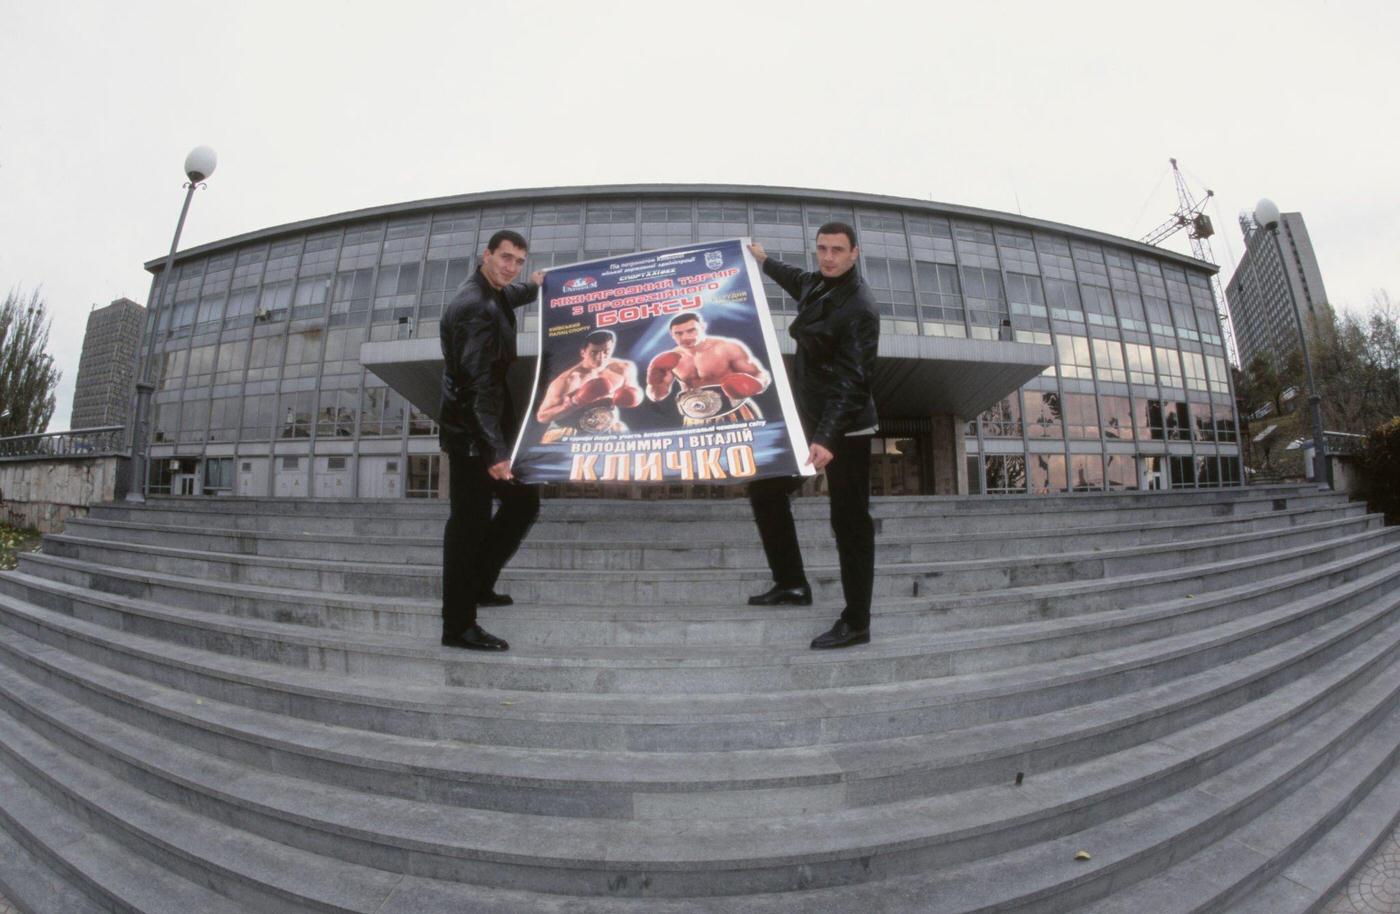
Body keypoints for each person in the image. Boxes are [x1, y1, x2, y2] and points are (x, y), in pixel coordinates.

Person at [747, 223, 880, 650]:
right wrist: (763, 260)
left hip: (846, 427)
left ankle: (857, 621)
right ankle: (791, 584)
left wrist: (826, 439)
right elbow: (794, 277)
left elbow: (852, 381)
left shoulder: (859, 307)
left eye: (837, 250)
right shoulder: (817, 285)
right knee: (766, 490)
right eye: (822, 249)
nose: (828, 257)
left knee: (849, 521)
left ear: (855, 253)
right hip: (810, 420)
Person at [438, 229, 545, 651]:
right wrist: (494, 452)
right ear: (485, 255)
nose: (511, 267)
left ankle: (479, 584)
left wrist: (534, 286)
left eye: (519, 261)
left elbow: (511, 294)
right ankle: (458, 626)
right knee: (468, 527)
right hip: (473, 438)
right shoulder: (476, 308)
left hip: (482, 430)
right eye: (505, 258)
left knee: (523, 503)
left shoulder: (492, 293)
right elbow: (476, 386)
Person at [645, 311, 770, 426]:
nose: (685, 337)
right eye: (679, 333)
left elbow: (760, 375)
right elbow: (656, 396)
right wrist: (654, 381)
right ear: (672, 335)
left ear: (703, 327)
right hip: (695, 419)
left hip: (737, 412)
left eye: (691, 330)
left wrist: (756, 384)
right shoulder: (671, 358)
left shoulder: (727, 348)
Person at [535, 330, 642, 441]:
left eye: (606, 351)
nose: (600, 357)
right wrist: (573, 403)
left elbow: (634, 393)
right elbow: (542, 417)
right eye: (594, 352)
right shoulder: (569, 379)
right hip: (569, 430)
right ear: (583, 352)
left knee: (622, 433)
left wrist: (634, 396)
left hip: (607, 428)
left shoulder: (624, 369)